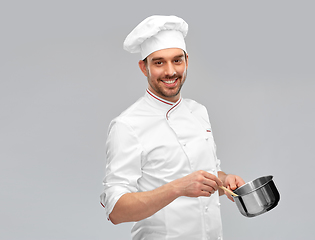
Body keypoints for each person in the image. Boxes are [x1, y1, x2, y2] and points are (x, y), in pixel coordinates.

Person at [100, 15, 245, 240]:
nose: (170, 71)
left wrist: (223, 180)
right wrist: (177, 188)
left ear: (187, 60)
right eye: (159, 62)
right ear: (143, 67)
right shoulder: (127, 125)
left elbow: (205, 171)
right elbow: (116, 210)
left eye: (177, 60)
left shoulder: (198, 112)